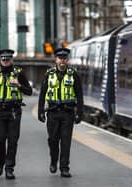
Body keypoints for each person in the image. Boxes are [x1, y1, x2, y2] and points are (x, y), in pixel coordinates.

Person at [0, 49, 32, 179]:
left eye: (8, 59)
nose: (5, 61)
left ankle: (9, 168)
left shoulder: (18, 73)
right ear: (0, 60)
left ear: (12, 60)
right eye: (3, 59)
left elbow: (29, 91)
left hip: (14, 111)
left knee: (12, 141)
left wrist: (19, 85)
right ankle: (0, 163)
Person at [38, 47, 83, 178]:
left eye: (64, 58)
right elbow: (42, 94)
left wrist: (79, 113)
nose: (62, 60)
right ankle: (53, 160)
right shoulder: (49, 74)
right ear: (56, 60)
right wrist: (40, 111)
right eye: (60, 58)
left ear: (67, 60)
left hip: (67, 113)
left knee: (65, 142)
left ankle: (64, 167)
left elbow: (79, 95)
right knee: (53, 140)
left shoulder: (73, 74)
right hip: (52, 112)